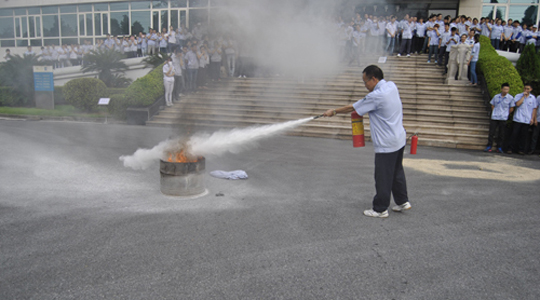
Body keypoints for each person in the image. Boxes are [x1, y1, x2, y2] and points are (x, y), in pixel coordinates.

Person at [321, 65, 410, 218]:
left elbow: (353, 107)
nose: (365, 85)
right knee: (396, 172)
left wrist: (333, 111)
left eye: (365, 82)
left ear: (374, 79)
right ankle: (402, 201)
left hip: (386, 144)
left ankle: (380, 208)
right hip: (399, 139)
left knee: (382, 176)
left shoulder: (376, 96)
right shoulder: (391, 86)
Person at [508, 84, 538, 154]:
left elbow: (534, 109)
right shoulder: (518, 96)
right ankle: (510, 148)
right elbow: (517, 104)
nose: (526, 90)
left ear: (531, 89)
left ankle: (521, 149)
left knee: (524, 136)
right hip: (518, 118)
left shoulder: (533, 98)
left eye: (528, 89)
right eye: (525, 88)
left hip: (527, 119)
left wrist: (532, 119)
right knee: (514, 134)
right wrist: (523, 97)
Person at [484, 83, 514, 153]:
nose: (506, 91)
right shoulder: (496, 96)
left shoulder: (510, 98)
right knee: (492, 132)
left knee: (501, 133)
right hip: (495, 116)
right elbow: (492, 105)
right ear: (501, 89)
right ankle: (489, 146)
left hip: (503, 118)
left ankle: (499, 147)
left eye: (507, 89)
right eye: (504, 89)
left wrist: (506, 114)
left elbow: (511, 108)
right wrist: (494, 112)